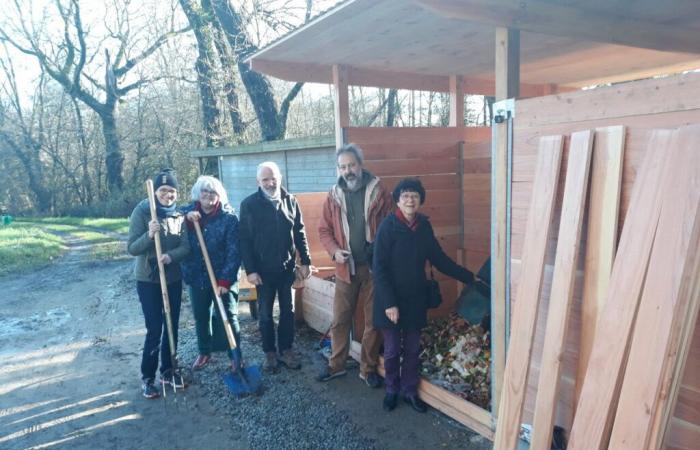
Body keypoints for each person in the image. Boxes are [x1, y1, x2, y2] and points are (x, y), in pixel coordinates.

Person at [372, 178, 475, 412]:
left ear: (420, 201)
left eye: (415, 196)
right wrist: (389, 303)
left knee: (411, 350)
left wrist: (468, 277)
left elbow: (439, 258)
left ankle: (409, 391)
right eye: (406, 195)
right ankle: (391, 389)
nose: (410, 199)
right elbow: (379, 268)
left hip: (415, 299)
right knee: (391, 351)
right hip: (390, 301)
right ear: (398, 200)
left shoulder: (424, 227)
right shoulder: (387, 227)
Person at [316, 144, 393, 388]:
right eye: (342, 166)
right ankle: (336, 364)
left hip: (374, 269)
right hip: (345, 269)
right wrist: (334, 251)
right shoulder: (333, 195)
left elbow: (391, 225)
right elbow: (324, 230)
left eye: (351, 165)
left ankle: (367, 369)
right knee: (340, 319)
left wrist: (381, 251)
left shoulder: (380, 191)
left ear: (360, 165)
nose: (347, 170)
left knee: (373, 321)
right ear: (338, 169)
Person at [239, 161, 311, 372]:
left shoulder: (291, 201)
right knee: (265, 314)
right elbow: (244, 240)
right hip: (262, 272)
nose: (270, 183)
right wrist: (250, 270)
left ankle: (286, 349)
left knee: (288, 312)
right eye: (265, 180)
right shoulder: (249, 205)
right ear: (258, 182)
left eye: (274, 179)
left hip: (287, 268)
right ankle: (269, 353)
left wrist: (306, 260)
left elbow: (299, 231)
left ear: (280, 178)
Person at [127, 169, 190, 399]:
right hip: (148, 280)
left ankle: (168, 370)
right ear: (155, 192)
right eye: (163, 191)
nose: (168, 195)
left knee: (171, 325)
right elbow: (132, 248)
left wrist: (170, 256)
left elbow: (186, 246)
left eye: (172, 191)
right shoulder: (142, 212)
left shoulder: (179, 215)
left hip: (172, 278)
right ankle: (148, 377)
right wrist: (149, 235)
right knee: (155, 329)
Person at [180, 176, 243, 372]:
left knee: (229, 316)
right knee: (201, 315)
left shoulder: (229, 218)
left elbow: (234, 252)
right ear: (198, 194)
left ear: (219, 195)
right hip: (196, 276)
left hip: (222, 278)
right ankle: (204, 351)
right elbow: (170, 217)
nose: (208, 195)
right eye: (204, 191)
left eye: (213, 192)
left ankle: (235, 355)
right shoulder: (187, 212)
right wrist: (187, 219)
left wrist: (225, 280)